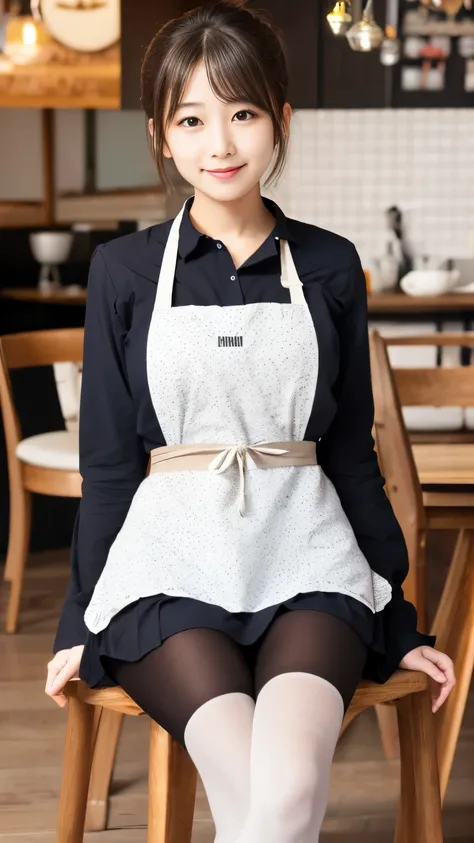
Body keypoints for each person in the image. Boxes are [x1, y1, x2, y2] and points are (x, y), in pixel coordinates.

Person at [45, 3, 455, 841]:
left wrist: (399, 618)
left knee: (288, 786)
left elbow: (348, 455)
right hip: (169, 567)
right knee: (259, 795)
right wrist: (78, 622)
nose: (219, 144)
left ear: (280, 123)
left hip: (307, 558)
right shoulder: (124, 271)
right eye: (191, 119)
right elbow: (113, 464)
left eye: (242, 113)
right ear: (162, 135)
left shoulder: (332, 264)